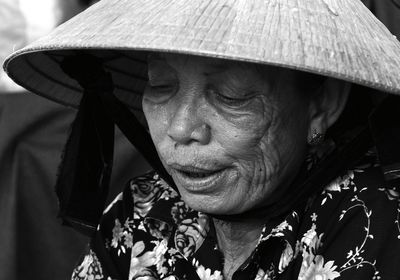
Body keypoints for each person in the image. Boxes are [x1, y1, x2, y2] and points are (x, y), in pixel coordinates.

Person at [3, 0, 400, 279]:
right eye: (160, 86)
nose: (181, 129)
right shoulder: (144, 210)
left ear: (321, 105)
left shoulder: (375, 220)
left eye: (231, 95)